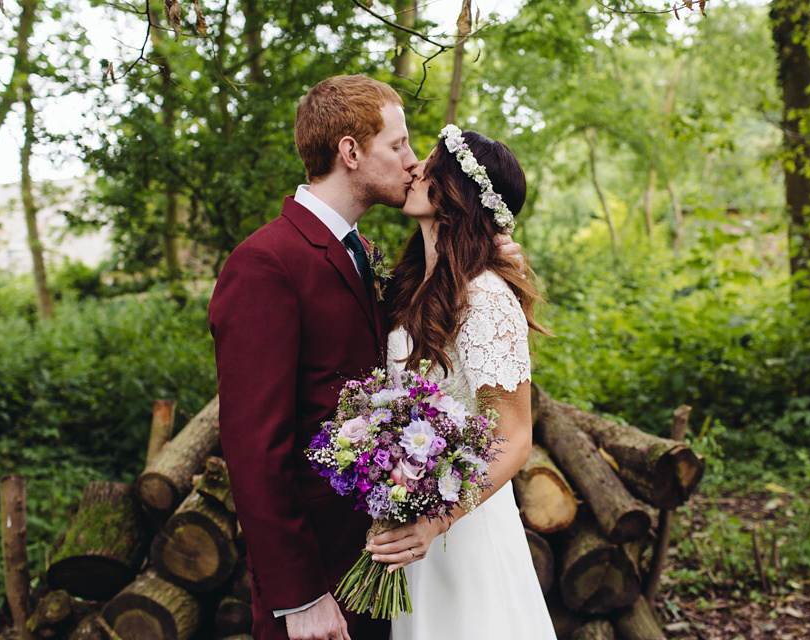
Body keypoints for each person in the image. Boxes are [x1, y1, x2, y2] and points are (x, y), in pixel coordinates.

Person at [208, 78, 520, 640]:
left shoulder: (374, 261)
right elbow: (254, 448)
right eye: (399, 145)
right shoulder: (266, 263)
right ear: (350, 152)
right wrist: (298, 596)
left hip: (386, 562)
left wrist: (486, 255)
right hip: (317, 579)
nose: (412, 162)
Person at [364, 125, 558, 639]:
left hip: (460, 530)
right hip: (413, 522)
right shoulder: (412, 287)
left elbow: (514, 439)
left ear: (455, 192)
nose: (414, 168)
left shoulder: (486, 297)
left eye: (429, 163)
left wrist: (434, 521)